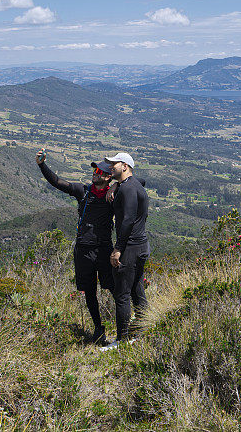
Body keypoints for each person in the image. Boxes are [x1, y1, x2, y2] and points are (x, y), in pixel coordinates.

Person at [36, 148, 114, 345]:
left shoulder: (115, 194)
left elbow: (139, 183)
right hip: (83, 250)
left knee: (114, 287)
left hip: (104, 249)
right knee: (89, 292)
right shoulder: (84, 191)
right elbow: (57, 182)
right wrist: (42, 165)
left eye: (99, 172)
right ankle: (98, 328)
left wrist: (116, 187)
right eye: (94, 171)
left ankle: (125, 324)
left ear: (107, 177)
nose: (94, 174)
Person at [104, 151, 149, 347]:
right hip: (142, 246)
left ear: (125, 166)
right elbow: (142, 180)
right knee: (137, 290)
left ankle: (122, 341)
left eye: (115, 164)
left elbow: (128, 219)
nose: (110, 167)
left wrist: (117, 249)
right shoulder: (133, 185)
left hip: (129, 247)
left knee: (122, 294)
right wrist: (116, 184)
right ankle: (143, 332)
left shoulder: (128, 190)